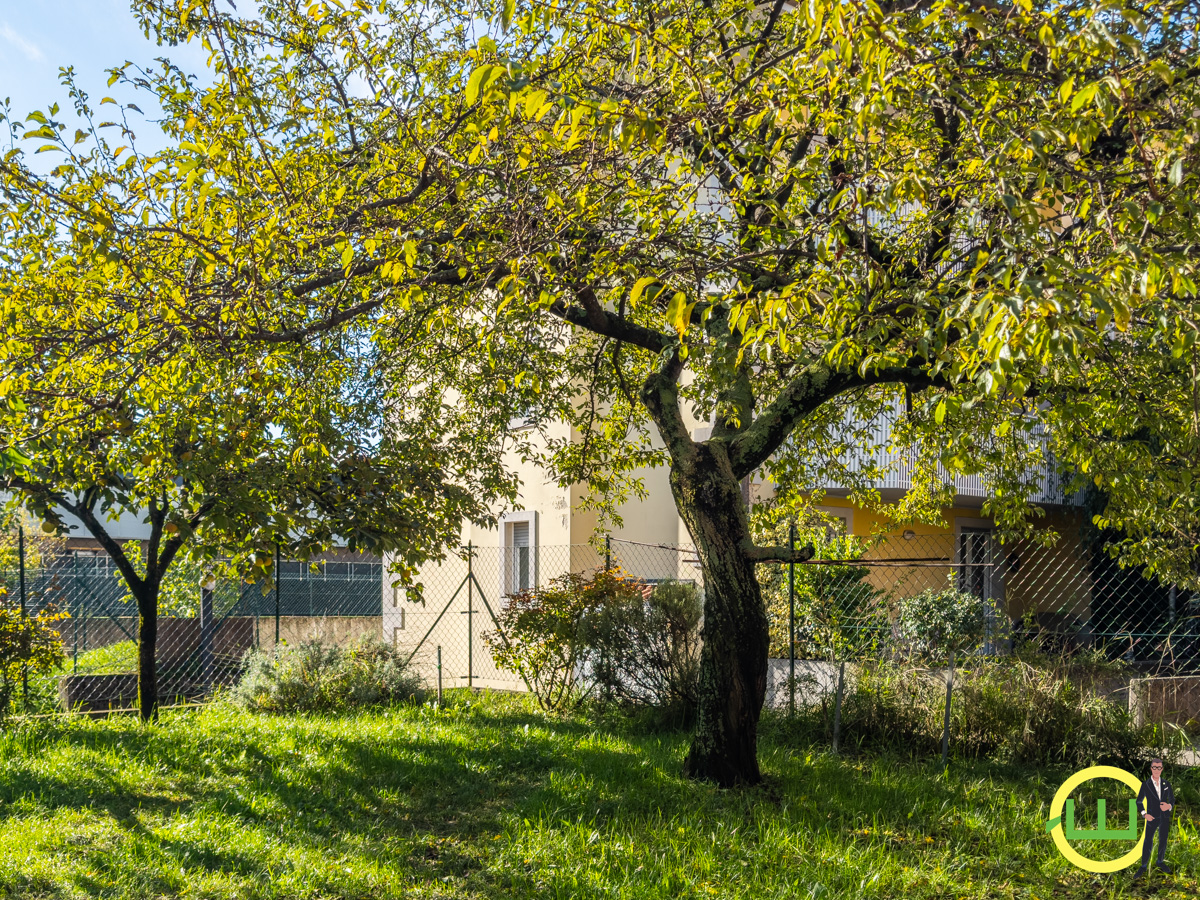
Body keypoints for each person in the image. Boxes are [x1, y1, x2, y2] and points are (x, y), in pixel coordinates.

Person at [1133, 758, 1175, 880]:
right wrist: (1144, 814)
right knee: (1148, 841)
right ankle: (1144, 865)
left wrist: (1169, 806)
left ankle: (1160, 861)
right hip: (1151, 817)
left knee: (1163, 839)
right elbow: (1139, 801)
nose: (1157, 770)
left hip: (1164, 816)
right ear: (1151, 768)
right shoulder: (1145, 784)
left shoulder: (1166, 784)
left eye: (1159, 767)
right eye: (1155, 767)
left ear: (1162, 769)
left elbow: (1172, 799)